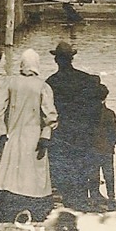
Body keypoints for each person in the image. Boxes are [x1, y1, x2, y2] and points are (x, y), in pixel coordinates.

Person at [0, 48, 59, 222]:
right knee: (33, 174)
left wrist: (2, 132)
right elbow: (50, 115)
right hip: (34, 134)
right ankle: (33, 208)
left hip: (13, 133)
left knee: (12, 172)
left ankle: (11, 209)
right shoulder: (42, 86)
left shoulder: (10, 82)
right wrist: (46, 135)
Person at [45, 41, 104, 211]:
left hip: (61, 133)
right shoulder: (85, 79)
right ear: (72, 58)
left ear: (56, 60)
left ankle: (67, 201)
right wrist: (91, 128)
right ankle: (80, 201)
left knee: (62, 167)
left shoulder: (51, 82)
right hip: (82, 132)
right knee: (81, 167)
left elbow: (47, 111)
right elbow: (95, 108)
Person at [90, 83, 116, 209]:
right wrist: (112, 144)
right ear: (105, 97)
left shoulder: (88, 114)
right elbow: (115, 132)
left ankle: (94, 198)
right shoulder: (109, 113)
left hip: (93, 148)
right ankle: (111, 198)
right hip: (107, 149)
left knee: (93, 174)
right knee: (109, 174)